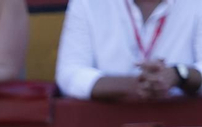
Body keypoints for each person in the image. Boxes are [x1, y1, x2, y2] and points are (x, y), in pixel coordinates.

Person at [55, 0, 202, 101]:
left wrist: (179, 74)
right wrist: (135, 85)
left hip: (182, 126)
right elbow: (69, 74)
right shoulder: (88, 3)